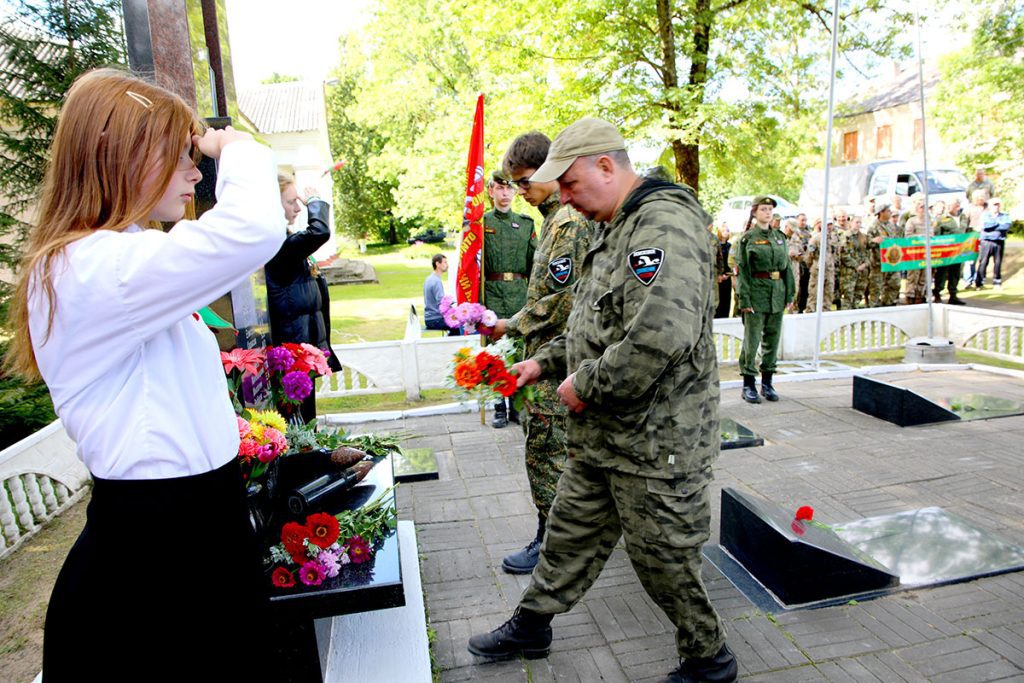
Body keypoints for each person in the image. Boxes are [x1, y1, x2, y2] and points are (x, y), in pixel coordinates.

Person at [3, 69, 283, 680]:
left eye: (196, 152)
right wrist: (234, 146)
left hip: (191, 533)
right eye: (180, 152)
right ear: (122, 153)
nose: (194, 170)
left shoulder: (113, 257)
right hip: (161, 556)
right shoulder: (92, 266)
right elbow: (253, 230)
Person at [467, 118, 737, 683]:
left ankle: (709, 659)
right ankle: (533, 624)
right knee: (569, 532)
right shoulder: (614, 226)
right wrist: (543, 362)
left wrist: (584, 385)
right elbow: (597, 323)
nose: (561, 198)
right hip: (605, 437)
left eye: (567, 184)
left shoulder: (662, 224)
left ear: (606, 166)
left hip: (655, 439)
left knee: (664, 559)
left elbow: (659, 334)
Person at [487, 130, 593, 574]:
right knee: (552, 450)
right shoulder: (552, 219)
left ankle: (552, 545)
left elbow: (565, 301)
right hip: (547, 353)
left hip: (559, 357)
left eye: (526, 181)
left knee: (547, 453)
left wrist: (511, 323)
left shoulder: (567, 223)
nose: (521, 192)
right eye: (515, 184)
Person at [265, 175, 339, 421]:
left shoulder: (285, 242)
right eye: (290, 202)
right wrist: (315, 202)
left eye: (299, 201)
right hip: (292, 357)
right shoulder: (278, 248)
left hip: (302, 355)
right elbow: (319, 231)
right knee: (299, 425)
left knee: (306, 423)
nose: (298, 207)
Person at [482, 171, 536, 428]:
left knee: (518, 350)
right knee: (494, 353)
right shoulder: (480, 224)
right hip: (491, 294)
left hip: (518, 293)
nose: (505, 193)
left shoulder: (526, 224)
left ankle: (515, 404)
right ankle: (498, 407)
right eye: (499, 188)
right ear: (490, 191)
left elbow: (534, 265)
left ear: (515, 192)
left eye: (509, 188)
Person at [736, 196, 795, 403]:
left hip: (777, 293)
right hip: (756, 292)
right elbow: (742, 271)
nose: (767, 213)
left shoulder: (780, 237)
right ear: (754, 212)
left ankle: (767, 383)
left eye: (769, 209)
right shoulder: (747, 239)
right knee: (751, 340)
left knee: (772, 338)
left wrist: (789, 293)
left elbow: (786, 267)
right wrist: (744, 300)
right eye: (763, 209)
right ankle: (748, 384)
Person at [866, 202, 902, 307]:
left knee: (895, 284)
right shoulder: (873, 226)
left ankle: (888, 303)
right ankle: (874, 307)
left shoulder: (892, 226)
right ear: (881, 212)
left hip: (892, 262)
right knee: (876, 287)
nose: (890, 212)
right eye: (888, 211)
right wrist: (874, 241)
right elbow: (867, 243)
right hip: (878, 263)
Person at [933, 200, 966, 304]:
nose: (958, 208)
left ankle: (953, 294)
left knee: (956, 272)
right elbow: (937, 235)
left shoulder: (963, 217)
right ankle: (937, 293)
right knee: (942, 273)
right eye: (956, 206)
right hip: (946, 251)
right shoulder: (942, 219)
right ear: (949, 207)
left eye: (959, 206)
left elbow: (967, 231)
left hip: (959, 251)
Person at [804, 218, 839, 312]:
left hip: (830, 268)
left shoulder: (833, 238)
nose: (829, 227)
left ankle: (826, 310)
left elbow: (835, 253)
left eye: (831, 224)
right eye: (827, 225)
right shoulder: (815, 238)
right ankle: (810, 310)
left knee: (829, 290)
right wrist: (813, 265)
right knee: (814, 291)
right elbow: (809, 255)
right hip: (818, 268)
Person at [976, 197, 1011, 288]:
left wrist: (994, 224)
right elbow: (986, 226)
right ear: (990, 206)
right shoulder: (985, 215)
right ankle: (980, 282)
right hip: (986, 241)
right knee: (983, 262)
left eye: (998, 205)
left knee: (998, 262)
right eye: (994, 205)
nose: (996, 207)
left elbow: (1006, 226)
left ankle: (997, 281)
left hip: (999, 241)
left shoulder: (1004, 215)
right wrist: (998, 224)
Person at [902, 195, 931, 304]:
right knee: (913, 276)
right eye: (921, 207)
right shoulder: (911, 221)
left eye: (925, 207)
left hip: (925, 252)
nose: (923, 209)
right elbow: (908, 236)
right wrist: (920, 237)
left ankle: (920, 295)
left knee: (923, 275)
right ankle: (909, 296)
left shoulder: (928, 220)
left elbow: (931, 233)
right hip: (914, 253)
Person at [839, 215, 871, 309]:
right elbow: (844, 254)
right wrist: (856, 266)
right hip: (850, 272)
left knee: (858, 295)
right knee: (848, 296)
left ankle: (855, 312)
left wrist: (865, 264)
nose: (858, 224)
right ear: (851, 223)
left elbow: (867, 252)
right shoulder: (846, 236)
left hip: (862, 271)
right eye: (856, 222)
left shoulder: (863, 237)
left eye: (860, 222)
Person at [424, 253, 457, 334]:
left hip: (429, 318)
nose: (447, 265)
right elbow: (442, 303)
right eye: (445, 262)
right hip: (435, 319)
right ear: (437, 264)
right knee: (458, 325)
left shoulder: (429, 278)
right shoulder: (436, 281)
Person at [715, 224, 733, 319]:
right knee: (718, 301)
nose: (726, 232)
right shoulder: (715, 245)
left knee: (726, 300)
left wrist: (729, 275)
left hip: (727, 277)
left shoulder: (730, 246)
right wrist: (718, 275)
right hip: (718, 278)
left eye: (727, 230)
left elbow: (732, 262)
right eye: (723, 230)